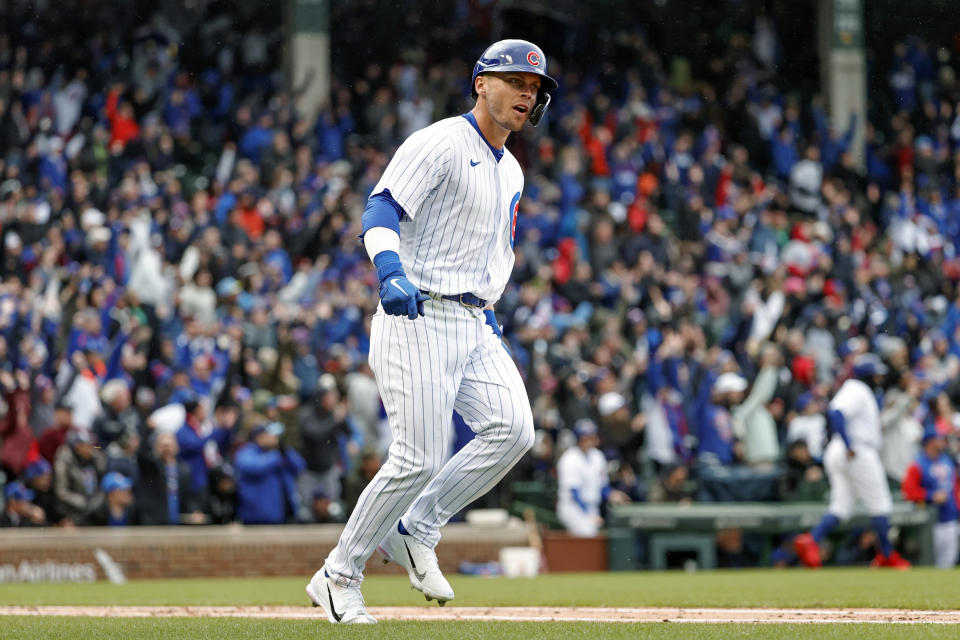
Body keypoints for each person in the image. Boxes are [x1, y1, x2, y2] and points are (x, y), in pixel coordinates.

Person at [306, 39, 557, 624]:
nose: (527, 93)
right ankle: (339, 574)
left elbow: (490, 249)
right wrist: (389, 271)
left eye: (535, 88)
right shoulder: (440, 141)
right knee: (417, 456)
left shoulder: (513, 169)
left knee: (514, 430)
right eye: (515, 81)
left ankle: (417, 525)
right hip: (415, 312)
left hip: (474, 319)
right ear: (480, 84)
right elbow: (381, 208)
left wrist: (488, 304)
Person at [793, 354, 910, 568]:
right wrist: (848, 445)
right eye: (876, 374)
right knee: (881, 504)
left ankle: (812, 539)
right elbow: (836, 413)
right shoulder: (858, 389)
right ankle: (886, 554)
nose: (879, 378)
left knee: (841, 506)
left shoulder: (856, 389)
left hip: (842, 451)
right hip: (856, 450)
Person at [556, 419, 631, 536]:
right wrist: (588, 514)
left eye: (591, 436)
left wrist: (612, 494)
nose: (589, 440)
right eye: (586, 437)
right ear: (579, 439)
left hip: (592, 507)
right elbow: (574, 493)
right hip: (572, 507)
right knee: (588, 532)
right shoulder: (569, 459)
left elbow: (602, 486)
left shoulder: (598, 456)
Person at [901, 428, 959, 568]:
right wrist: (931, 495)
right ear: (930, 442)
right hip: (930, 519)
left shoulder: (946, 460)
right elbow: (908, 491)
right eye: (938, 439)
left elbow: (954, 485)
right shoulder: (918, 464)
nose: (941, 441)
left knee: (950, 557)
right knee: (934, 560)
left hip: (950, 515)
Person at [234, 422, 305, 524]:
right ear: (259, 436)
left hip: (282, 515)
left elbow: (300, 466)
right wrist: (276, 455)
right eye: (270, 435)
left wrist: (286, 450)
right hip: (255, 517)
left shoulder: (281, 453)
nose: (275, 438)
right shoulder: (246, 452)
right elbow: (254, 467)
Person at [135, 431, 197, 526]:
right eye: (163, 445)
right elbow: (141, 454)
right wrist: (147, 429)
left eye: (169, 445)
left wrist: (194, 512)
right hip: (155, 524)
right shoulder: (151, 468)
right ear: (156, 448)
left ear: (177, 447)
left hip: (179, 523)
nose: (166, 448)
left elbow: (189, 496)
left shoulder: (184, 469)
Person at [53, 429, 106, 523]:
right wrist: (83, 503)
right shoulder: (64, 461)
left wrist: (96, 502)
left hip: (93, 508)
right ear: (77, 446)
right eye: (88, 445)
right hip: (71, 511)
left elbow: (102, 483)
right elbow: (61, 492)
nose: (92, 448)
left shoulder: (96, 458)